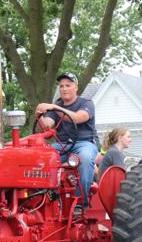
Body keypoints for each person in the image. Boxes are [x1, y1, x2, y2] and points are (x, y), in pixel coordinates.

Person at [35, 72, 98, 207]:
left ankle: (80, 201)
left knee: (85, 159)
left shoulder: (86, 103)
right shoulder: (56, 106)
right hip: (61, 145)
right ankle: (45, 197)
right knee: (41, 157)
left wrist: (55, 107)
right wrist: (39, 115)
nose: (63, 89)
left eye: (67, 85)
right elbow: (47, 126)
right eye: (61, 86)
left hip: (84, 143)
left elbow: (76, 118)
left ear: (75, 87)